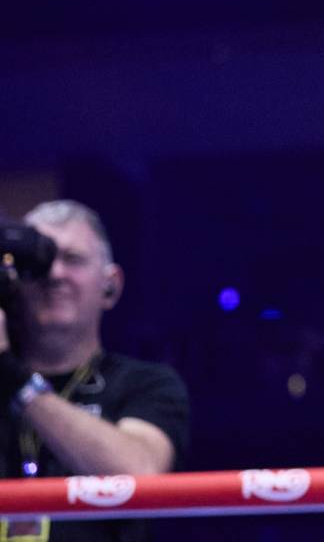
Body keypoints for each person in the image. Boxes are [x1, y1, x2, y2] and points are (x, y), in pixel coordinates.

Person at [0, 202, 189, 542]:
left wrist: (12, 377)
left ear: (110, 285)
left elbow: (138, 473)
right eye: (38, 262)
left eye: (73, 260)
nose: (54, 274)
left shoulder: (147, 383)